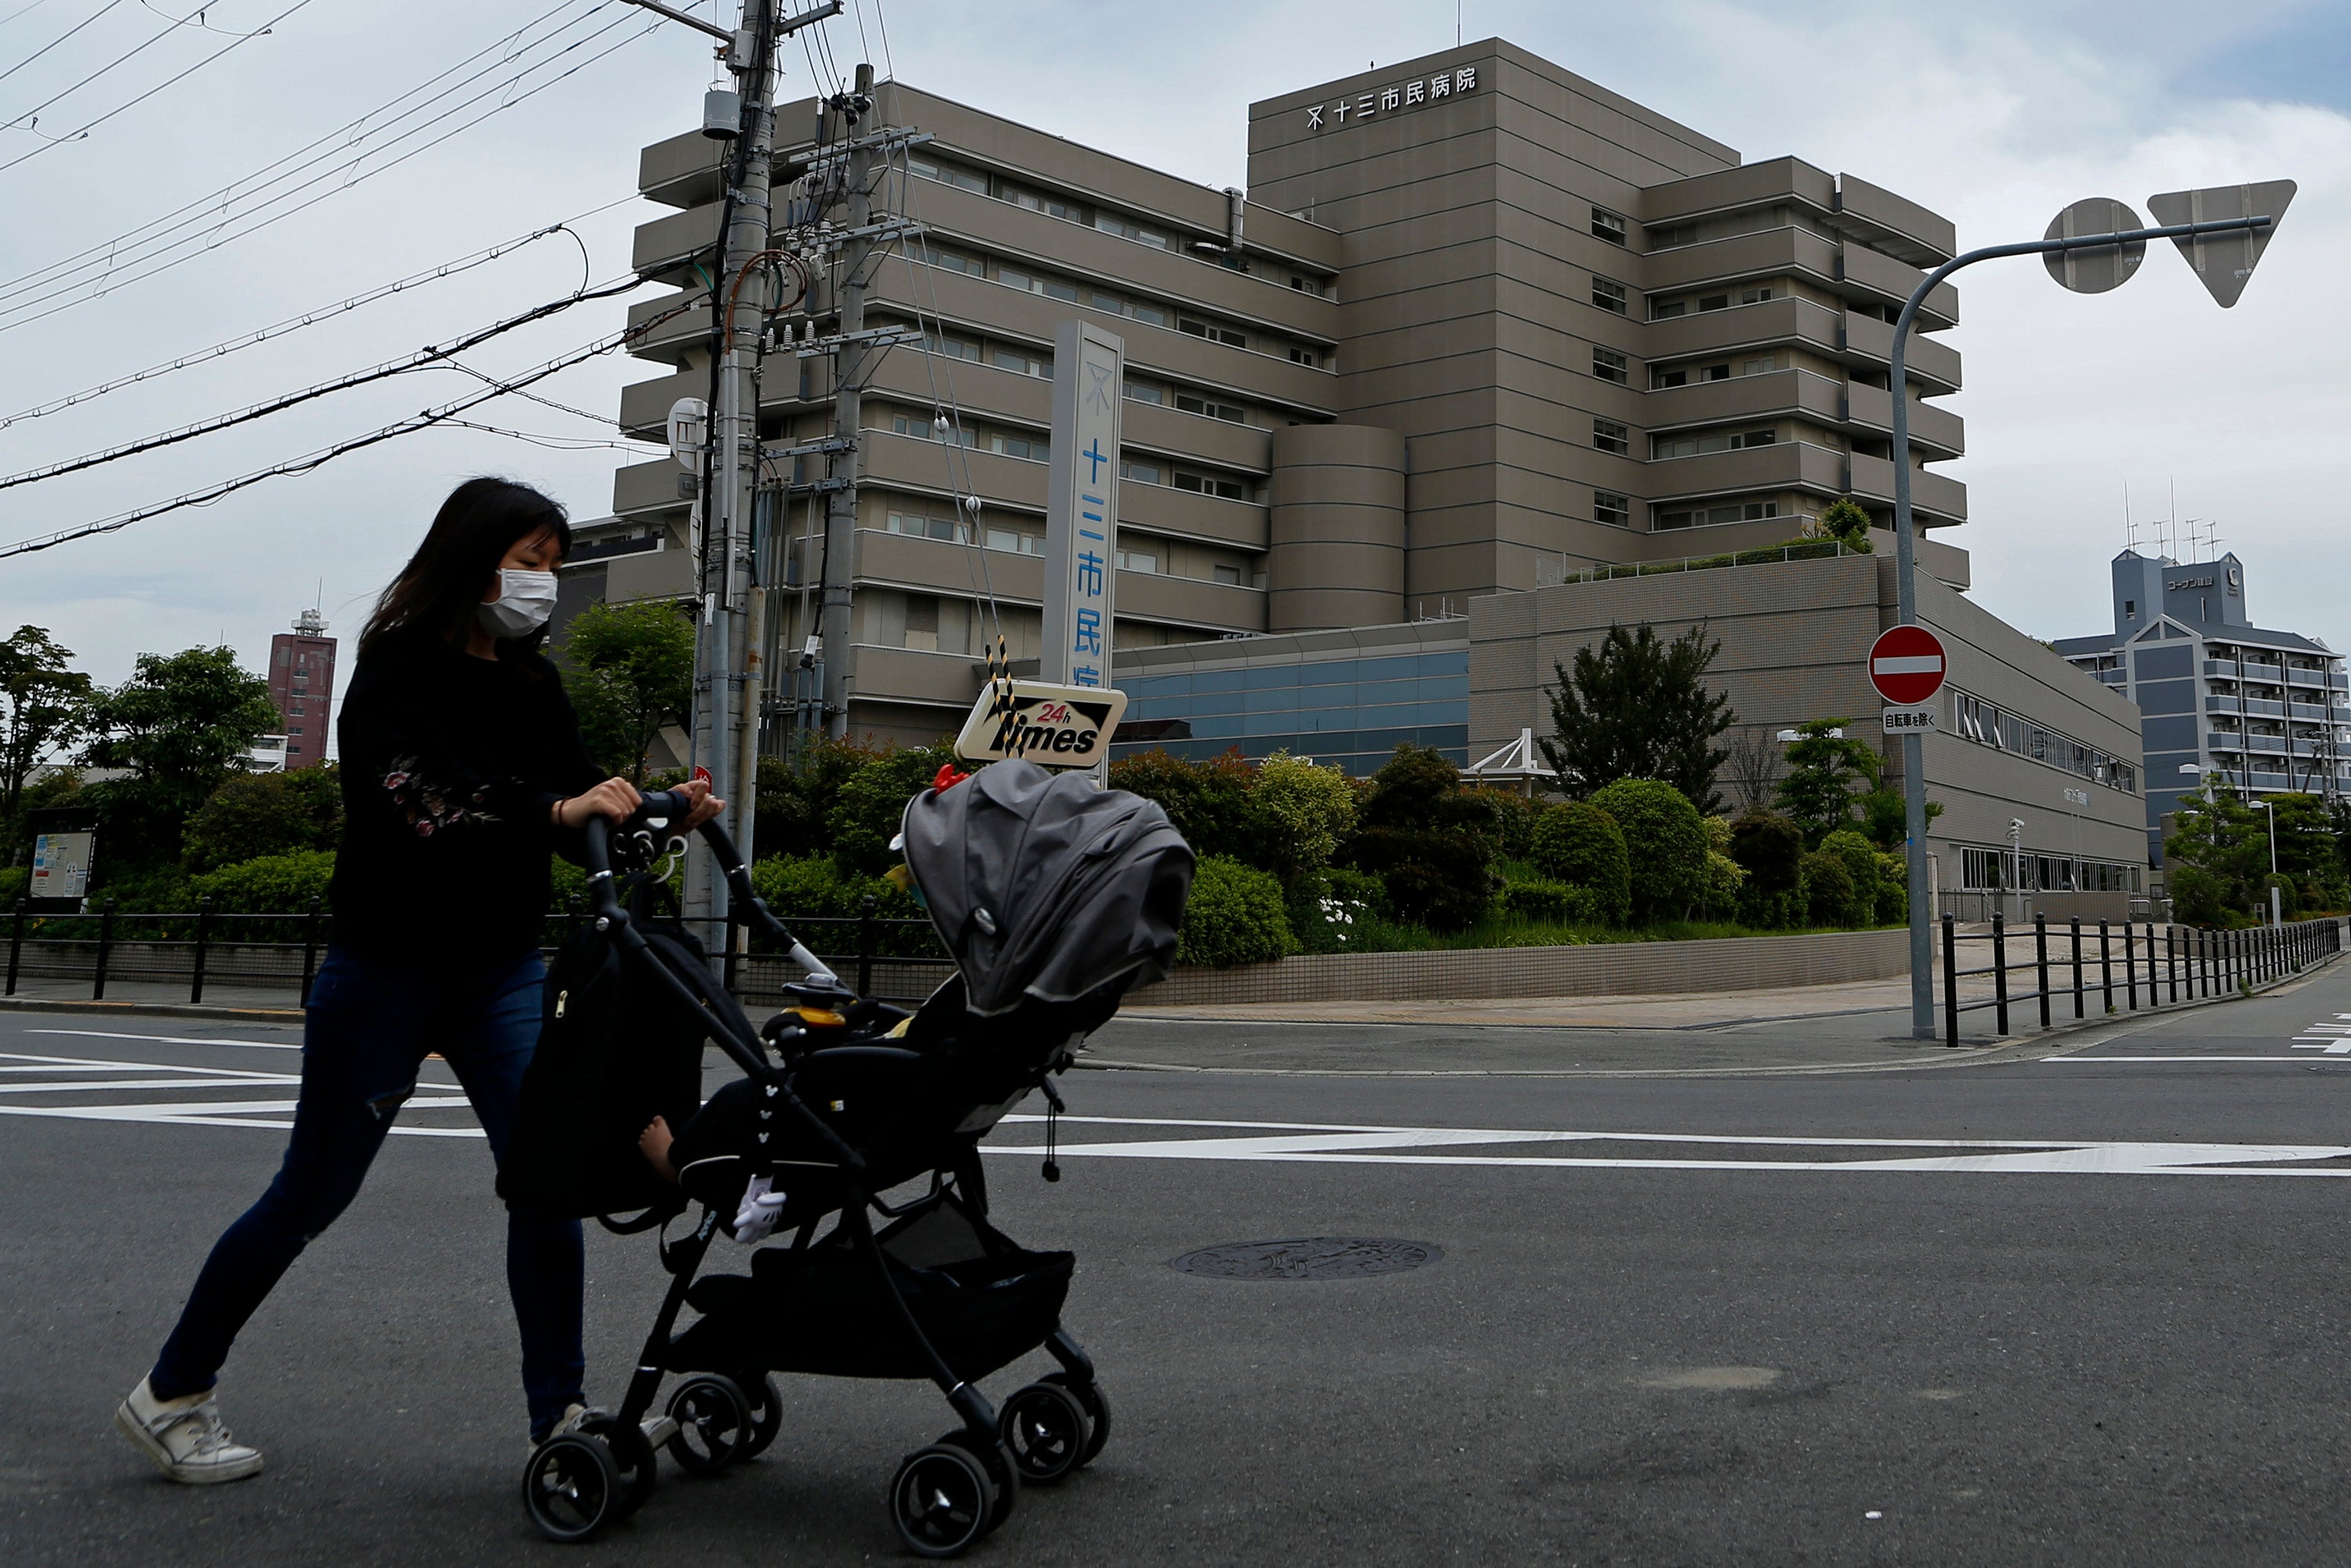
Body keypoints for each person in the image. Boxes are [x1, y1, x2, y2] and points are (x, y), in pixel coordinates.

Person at [115, 476, 722, 1484]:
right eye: (530, 562)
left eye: (552, 569)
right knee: (310, 1195)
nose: (541, 586)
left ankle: (559, 1418)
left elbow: (574, 810)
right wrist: (556, 814)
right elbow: (420, 800)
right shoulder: (395, 666)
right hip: (385, 971)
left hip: (499, 972)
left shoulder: (534, 684)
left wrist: (660, 811)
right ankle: (172, 1392)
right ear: (473, 557)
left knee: (545, 1182)